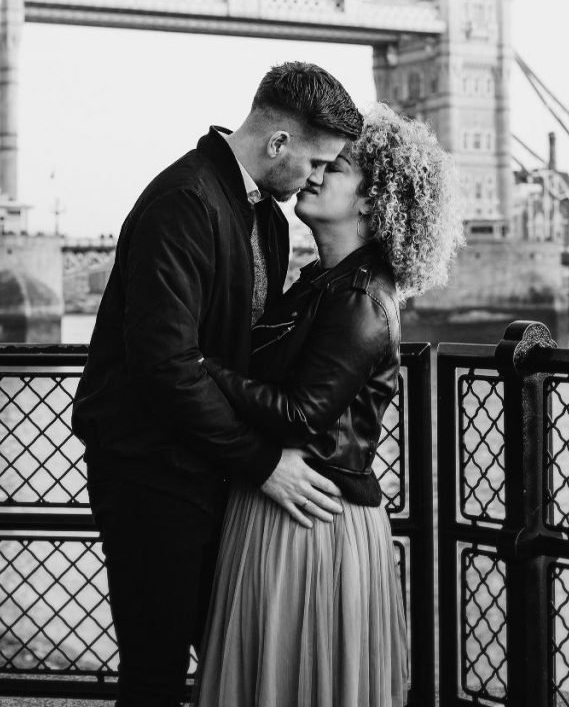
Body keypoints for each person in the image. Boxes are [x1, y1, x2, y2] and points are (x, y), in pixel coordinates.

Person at [71, 62, 363, 707]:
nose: (317, 179)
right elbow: (166, 364)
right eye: (315, 163)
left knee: (231, 655)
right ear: (278, 142)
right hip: (149, 469)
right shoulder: (185, 201)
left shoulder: (267, 218)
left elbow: (237, 352)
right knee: (156, 666)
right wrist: (262, 462)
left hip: (206, 466)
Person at [194, 103, 464, 707]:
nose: (311, 174)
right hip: (285, 499)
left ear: (373, 200)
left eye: (333, 168)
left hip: (313, 519)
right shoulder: (322, 279)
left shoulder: (361, 296)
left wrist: (199, 367)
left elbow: (300, 415)